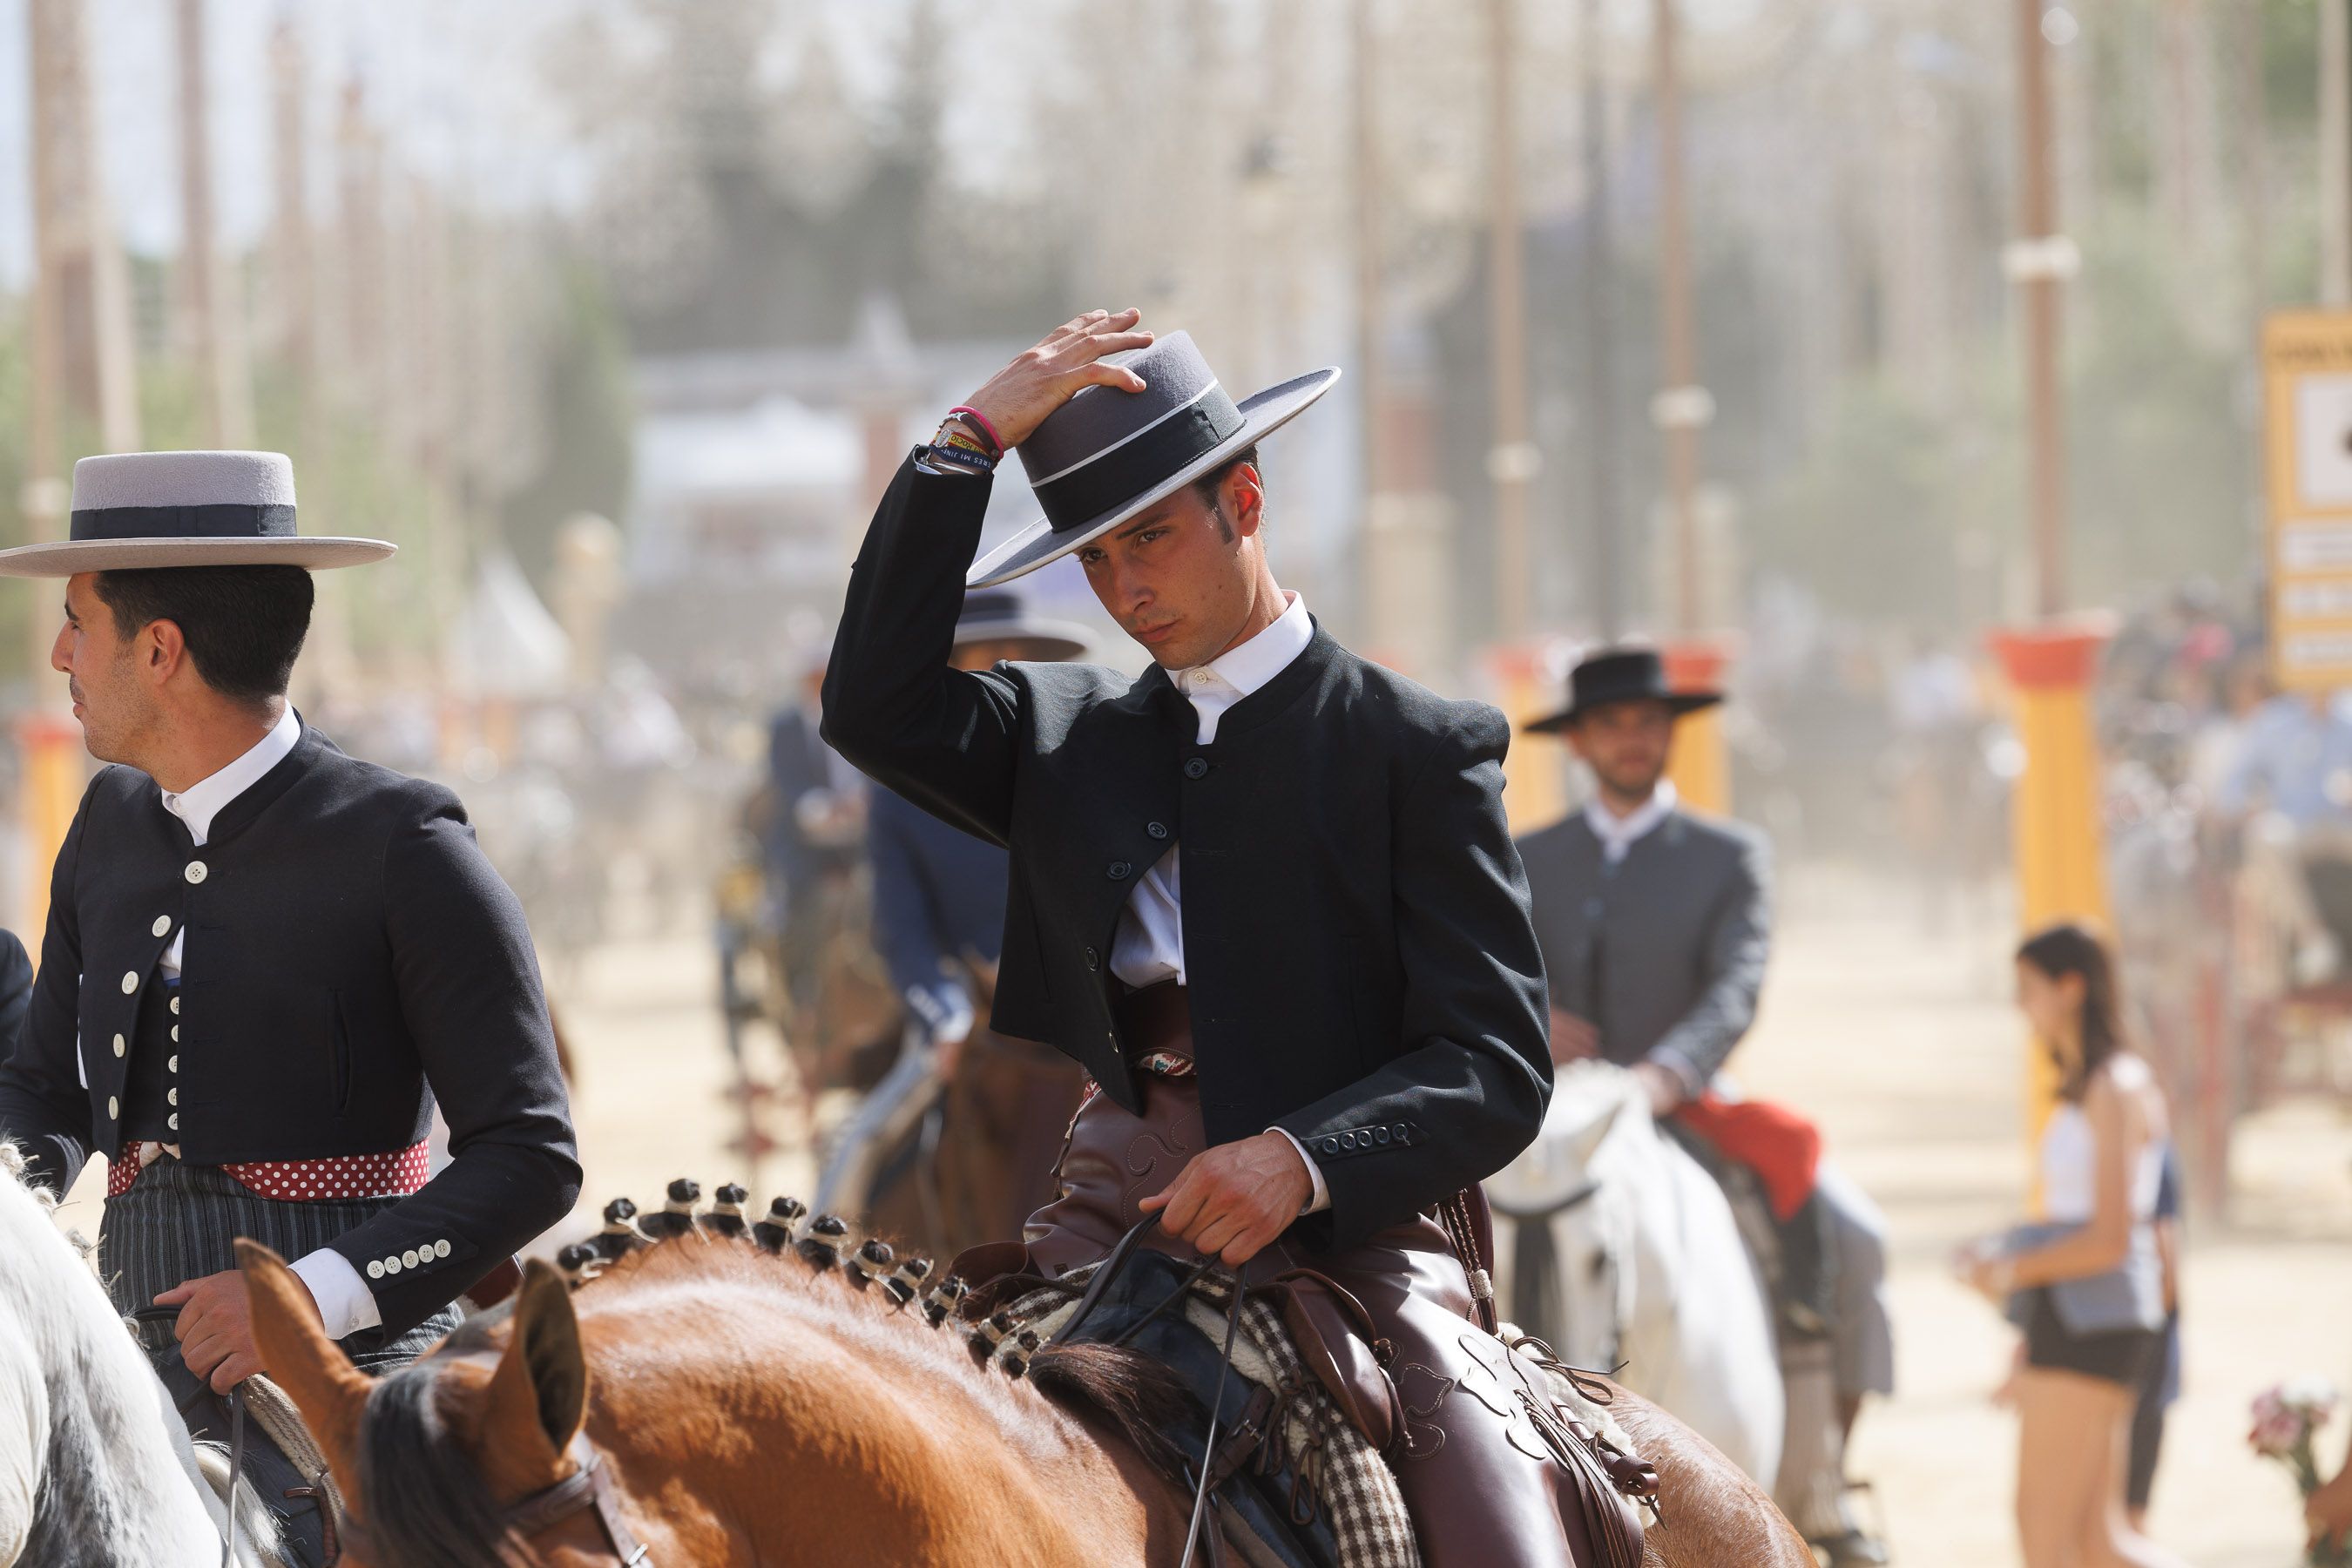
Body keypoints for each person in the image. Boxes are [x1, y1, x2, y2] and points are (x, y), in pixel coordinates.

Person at [822, 312, 1598, 1564]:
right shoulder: (1058, 731)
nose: (1126, 587)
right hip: (1096, 1228)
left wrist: (1298, 1159)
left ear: (1244, 500)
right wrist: (966, 443)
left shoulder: (1417, 747)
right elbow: (871, 700)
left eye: (1152, 538)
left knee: (1498, 1545)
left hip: (1350, 1248)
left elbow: (1497, 1063)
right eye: (1093, 560)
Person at [0, 450, 579, 1565]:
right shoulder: (108, 823)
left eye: (78, 622)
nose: (60, 654)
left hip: (358, 1375)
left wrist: (305, 1300)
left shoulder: (408, 848)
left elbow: (533, 1154)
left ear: (158, 650)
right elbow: (43, 1090)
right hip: (116, 1346)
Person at [1514, 645, 1894, 1566]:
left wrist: (1664, 1077)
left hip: (1679, 1103)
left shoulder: (1732, 855)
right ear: (1581, 742)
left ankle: (1822, 1479)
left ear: (1670, 734)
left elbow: (1735, 988)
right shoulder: (1526, 854)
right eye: (1613, 724)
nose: (1633, 739)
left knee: (1849, 1230)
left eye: (1649, 723)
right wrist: (1526, 1015)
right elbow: (1486, 972)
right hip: (1546, 1117)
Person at [817, 588, 1092, 1254]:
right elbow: (905, 937)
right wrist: (945, 1015)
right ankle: (821, 1267)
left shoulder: (1082, 772)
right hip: (962, 1020)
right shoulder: (899, 797)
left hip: (1091, 1020)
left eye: (1015, 660)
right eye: (982, 659)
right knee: (853, 1151)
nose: (1000, 673)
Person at [1957, 923, 2187, 1568]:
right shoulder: (2092, 1083)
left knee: (2046, 1539)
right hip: (2085, 1314)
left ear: (2071, 987)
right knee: (2096, 1543)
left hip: (2097, 1317)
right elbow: (2077, 1221)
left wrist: (2008, 1271)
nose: (2018, 1003)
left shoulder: (2115, 1084)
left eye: (2028, 987)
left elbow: (2112, 1238)